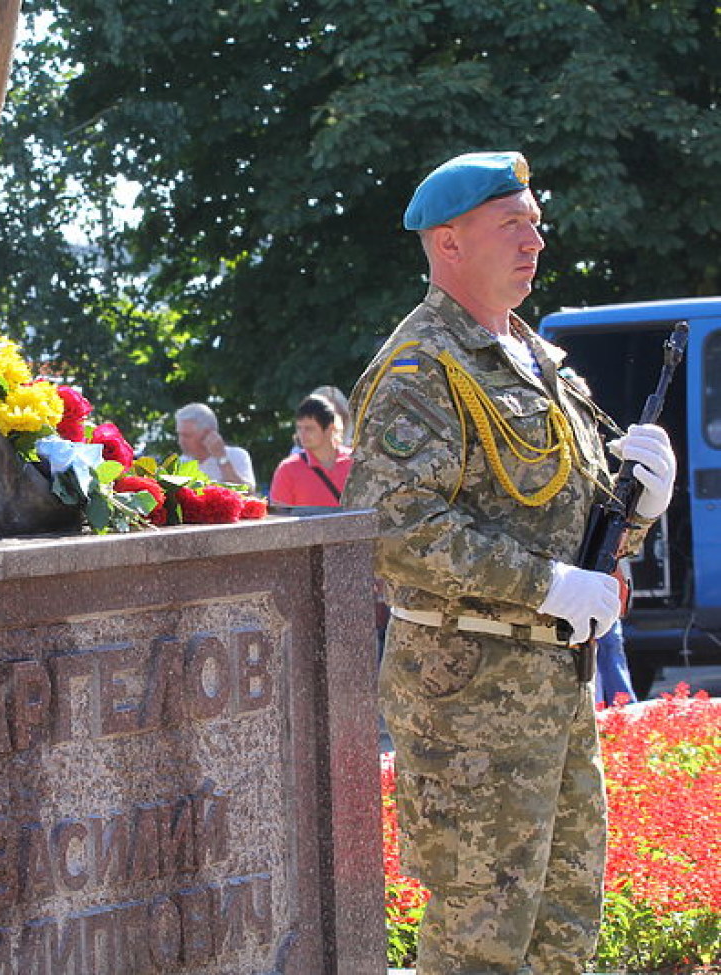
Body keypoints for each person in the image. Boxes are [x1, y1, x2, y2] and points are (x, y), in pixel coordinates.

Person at [343, 151, 676, 974]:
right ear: (449, 242)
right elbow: (394, 526)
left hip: (551, 688)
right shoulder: (422, 371)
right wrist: (549, 584)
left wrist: (637, 513)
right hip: (468, 700)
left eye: (536, 221)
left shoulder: (537, 360)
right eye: (512, 224)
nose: (535, 239)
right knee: (482, 939)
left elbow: (572, 524)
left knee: (565, 928)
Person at [269, 394, 353, 507]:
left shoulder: (354, 462)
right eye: (299, 428)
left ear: (330, 428)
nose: (302, 434)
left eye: (309, 429)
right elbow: (279, 518)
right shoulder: (288, 469)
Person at [175, 402, 256, 489]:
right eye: (179, 434)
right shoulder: (180, 463)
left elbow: (248, 493)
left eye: (187, 436)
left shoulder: (237, 455)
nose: (181, 441)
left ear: (207, 434)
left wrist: (222, 458)